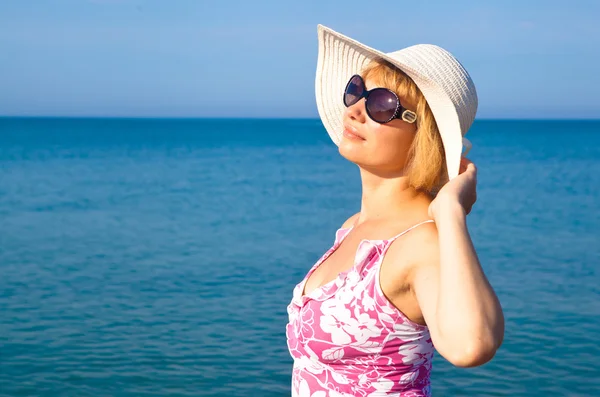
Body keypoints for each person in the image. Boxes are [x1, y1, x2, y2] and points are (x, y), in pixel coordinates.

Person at [285, 25, 505, 397]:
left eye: (382, 104)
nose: (355, 110)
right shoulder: (353, 227)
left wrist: (450, 213)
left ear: (425, 138)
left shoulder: (421, 241)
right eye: (357, 91)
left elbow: (471, 346)